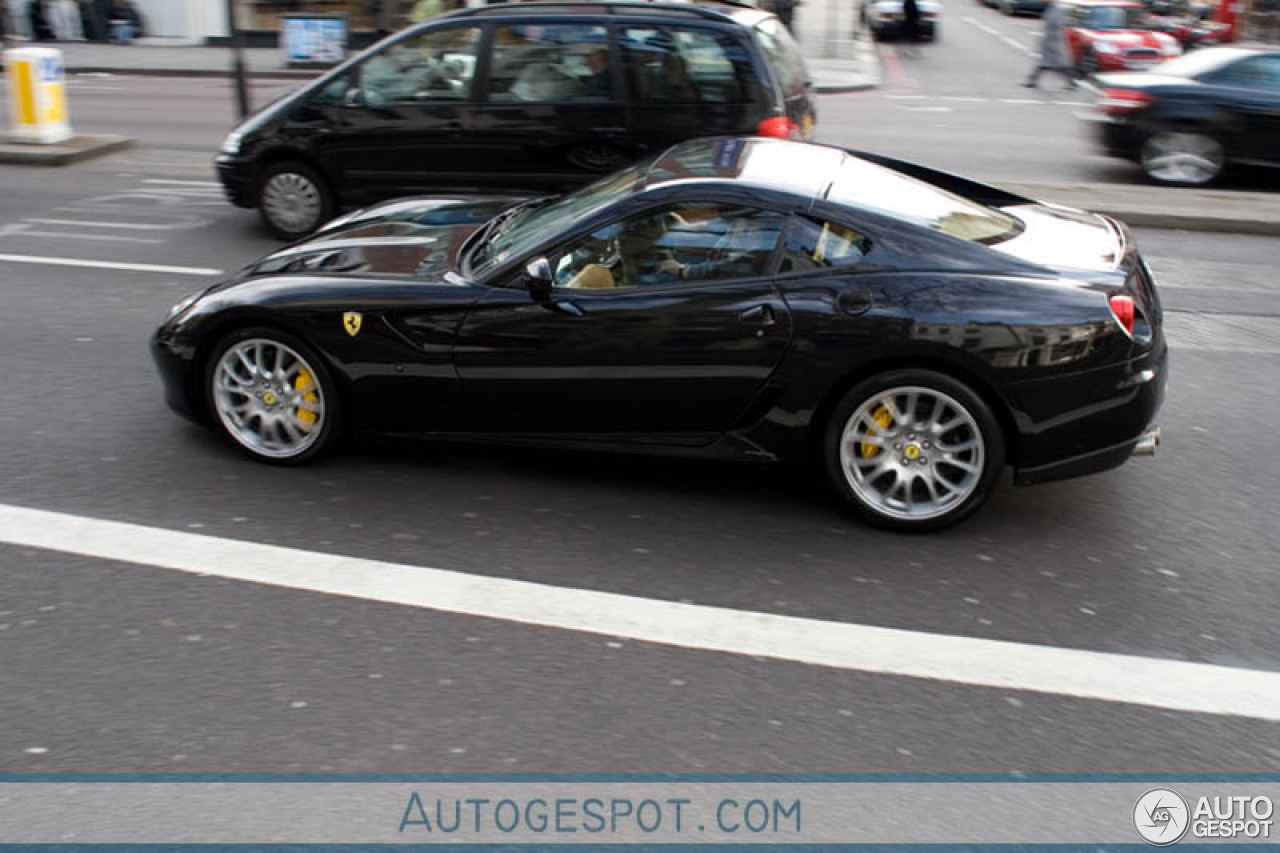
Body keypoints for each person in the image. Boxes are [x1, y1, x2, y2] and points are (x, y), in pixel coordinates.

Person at [1024, 0, 1077, 89]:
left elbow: (1059, 23)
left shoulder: (1057, 8)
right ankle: (1032, 81)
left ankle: (1072, 83)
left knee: (1060, 65)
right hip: (1050, 41)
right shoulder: (1051, 7)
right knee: (1045, 63)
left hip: (1055, 41)